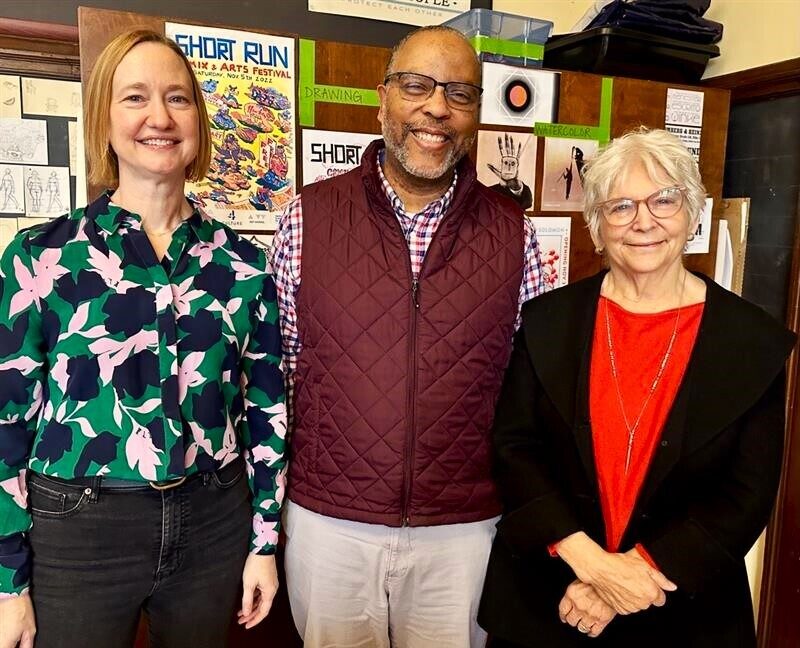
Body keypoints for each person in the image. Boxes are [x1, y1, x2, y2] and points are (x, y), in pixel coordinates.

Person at [0, 29, 286, 648]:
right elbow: (6, 420)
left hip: (213, 521)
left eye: (177, 98)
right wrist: (6, 582)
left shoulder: (243, 265)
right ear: (104, 119)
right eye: (135, 97)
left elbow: (266, 408)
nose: (159, 117)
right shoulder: (40, 257)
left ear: (198, 120)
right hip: (78, 531)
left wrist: (263, 543)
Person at [270, 25, 544, 648]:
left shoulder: (514, 233)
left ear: (476, 114)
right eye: (417, 86)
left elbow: (527, 391)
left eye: (459, 93)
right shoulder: (308, 216)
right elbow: (278, 375)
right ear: (383, 99)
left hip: (463, 529)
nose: (437, 108)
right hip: (330, 522)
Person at [478, 127, 796, 647]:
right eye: (620, 206)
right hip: (548, 601)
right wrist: (591, 563)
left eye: (664, 200)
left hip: (682, 610)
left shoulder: (752, 341)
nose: (643, 221)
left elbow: (746, 493)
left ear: (693, 212)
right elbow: (514, 449)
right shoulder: (546, 321)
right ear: (597, 226)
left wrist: (629, 579)